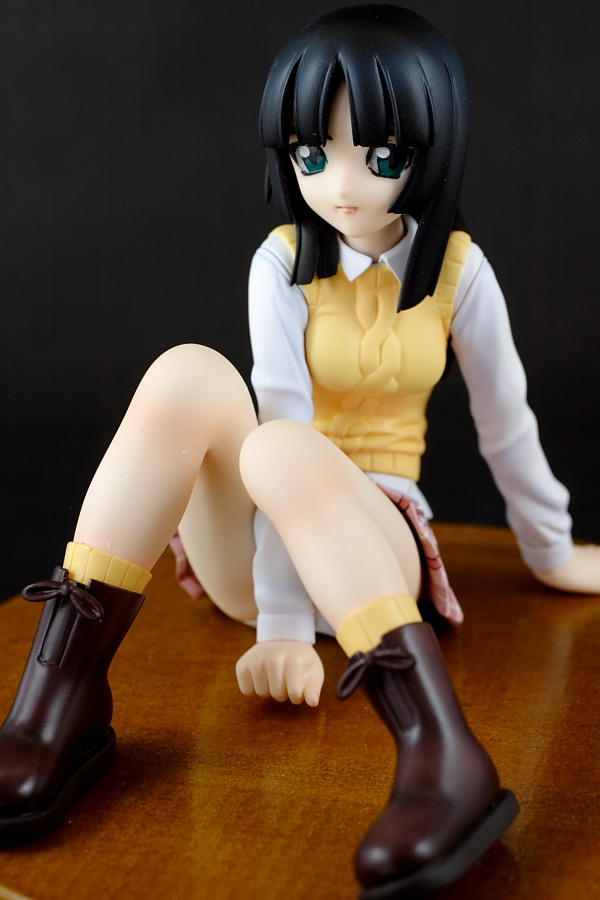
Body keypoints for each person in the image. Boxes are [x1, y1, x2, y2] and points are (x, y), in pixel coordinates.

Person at [0, 6, 598, 897]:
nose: (341, 184)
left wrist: (550, 550)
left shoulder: (457, 272)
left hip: (375, 540)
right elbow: (277, 418)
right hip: (260, 560)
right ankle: (58, 700)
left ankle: (442, 750)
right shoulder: (280, 263)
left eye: (379, 155)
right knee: (189, 374)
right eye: (313, 155)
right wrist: (277, 623)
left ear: (430, 151)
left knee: (285, 452)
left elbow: (504, 422)